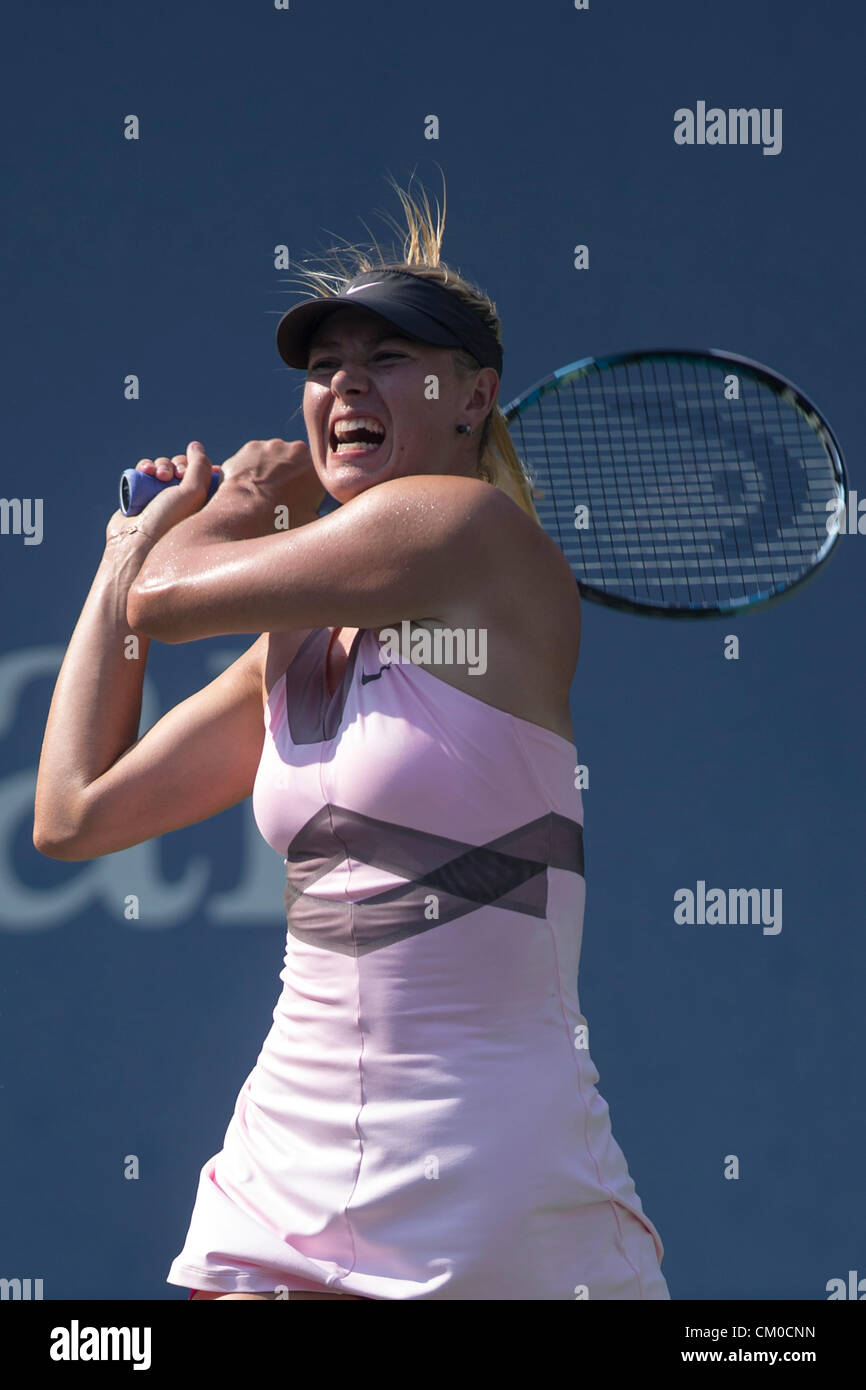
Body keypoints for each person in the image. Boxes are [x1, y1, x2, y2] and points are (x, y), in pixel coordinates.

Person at [33, 176, 669, 1301]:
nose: (342, 385)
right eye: (325, 366)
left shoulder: (470, 531)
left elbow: (165, 597)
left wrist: (210, 522)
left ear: (471, 397)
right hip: (280, 1196)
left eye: (385, 359)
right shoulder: (297, 638)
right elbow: (75, 811)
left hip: (503, 1216)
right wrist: (123, 550)